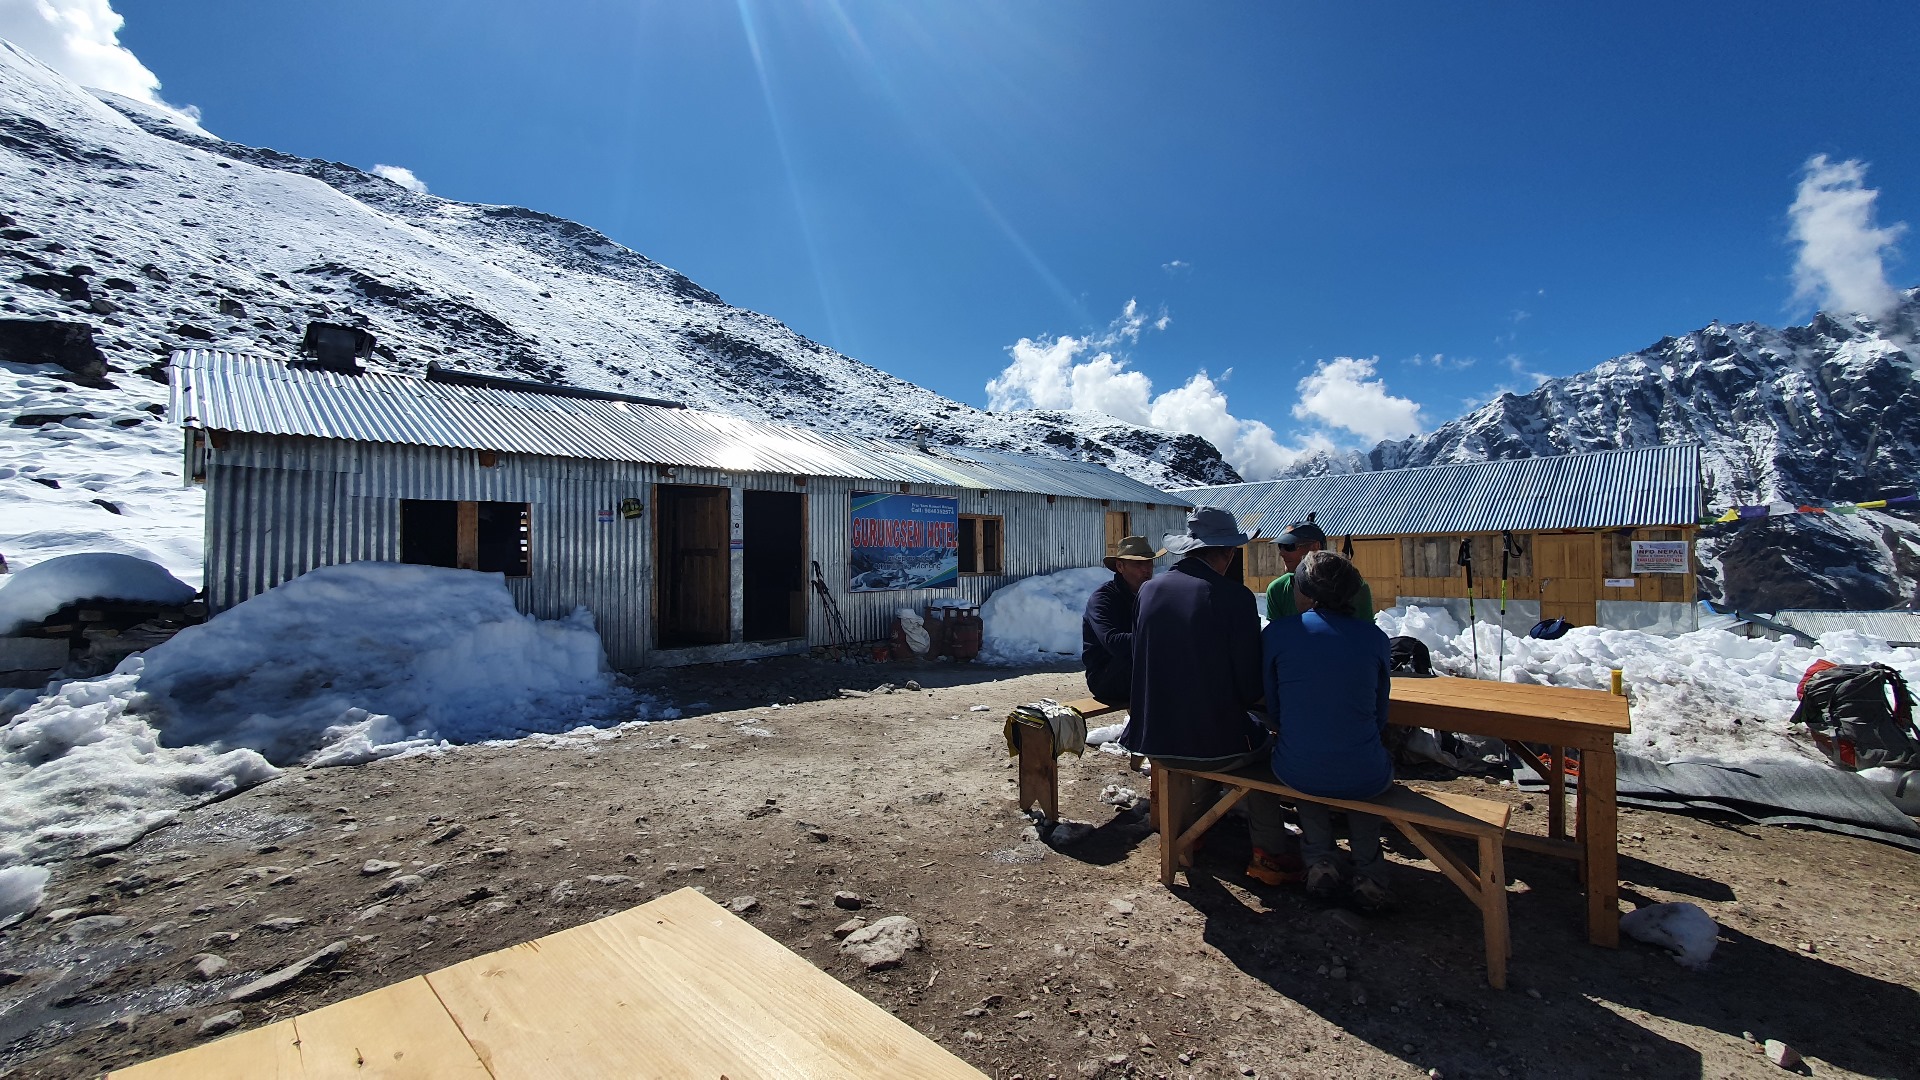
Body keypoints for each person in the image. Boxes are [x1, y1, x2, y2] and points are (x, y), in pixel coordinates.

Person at [1122, 506, 1303, 885]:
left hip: (1154, 740)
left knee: (1210, 735)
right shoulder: (1233, 597)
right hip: (1211, 745)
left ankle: (1193, 834)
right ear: (1228, 553)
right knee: (1264, 748)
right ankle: (1269, 853)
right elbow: (1249, 687)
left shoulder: (1149, 591)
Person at [1262, 550, 1397, 911]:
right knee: (1364, 765)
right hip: (1364, 770)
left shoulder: (1278, 634)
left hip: (1299, 768)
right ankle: (1369, 873)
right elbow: (1380, 714)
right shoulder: (1375, 638)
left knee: (1304, 761)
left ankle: (1320, 859)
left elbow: (1275, 708)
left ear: (1306, 593)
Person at [1081, 535, 1160, 706]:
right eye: (1138, 564)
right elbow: (1113, 642)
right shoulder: (1102, 599)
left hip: (1139, 669)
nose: (1146, 569)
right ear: (1120, 566)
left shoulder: (1152, 596)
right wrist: (1158, 638)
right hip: (1106, 677)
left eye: (1149, 563)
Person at [1263, 512, 1373, 621]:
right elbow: (1276, 631)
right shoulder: (1278, 589)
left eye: (1289, 546)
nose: (1282, 553)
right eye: (1280, 546)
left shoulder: (1354, 588)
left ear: (1315, 546)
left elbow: (1364, 630)